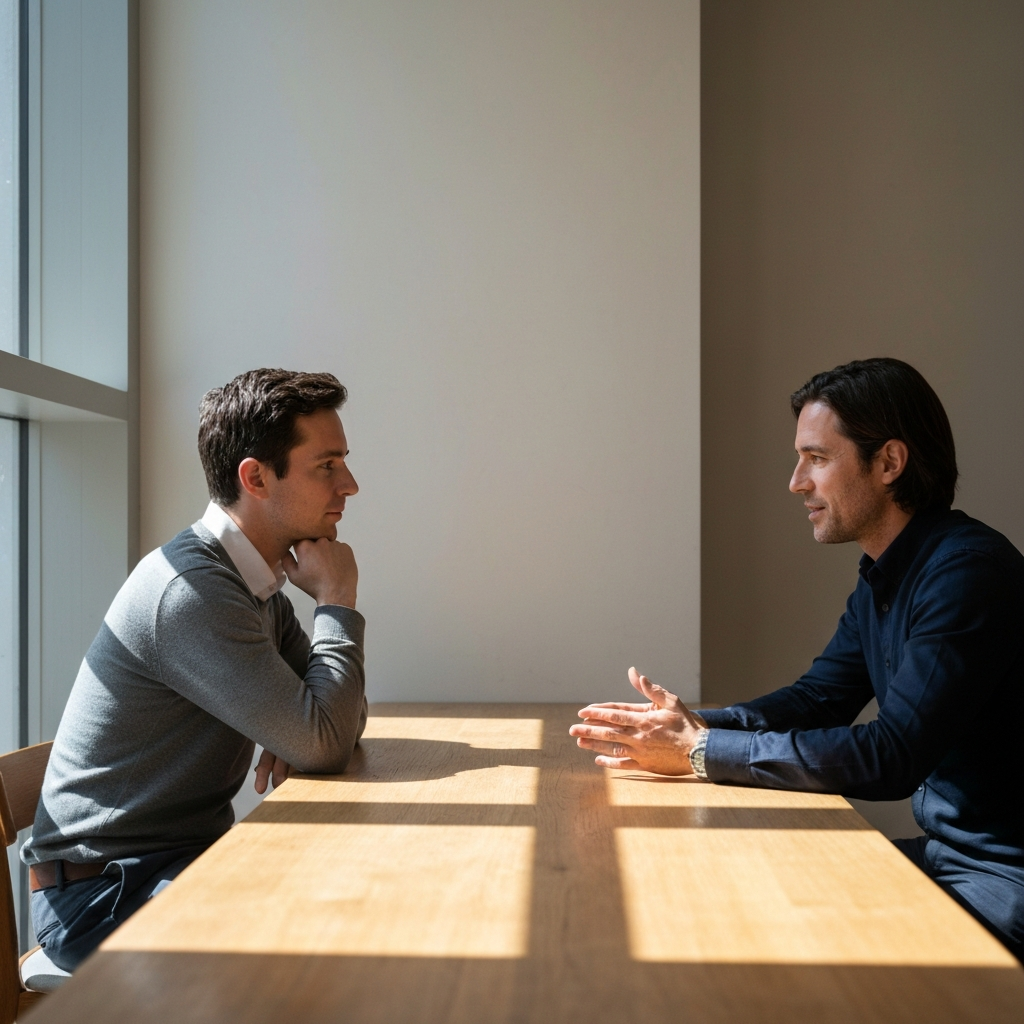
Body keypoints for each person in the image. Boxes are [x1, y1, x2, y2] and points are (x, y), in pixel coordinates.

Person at [570, 358, 1024, 962]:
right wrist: (688, 727)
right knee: (748, 899)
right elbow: (816, 700)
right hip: (949, 855)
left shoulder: (966, 573)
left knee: (780, 938)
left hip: (1003, 881)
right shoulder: (885, 577)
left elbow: (891, 757)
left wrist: (699, 752)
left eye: (817, 458)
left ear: (889, 463)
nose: (796, 482)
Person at [22, 368, 367, 971]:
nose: (351, 485)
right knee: (311, 943)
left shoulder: (254, 588)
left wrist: (310, 730)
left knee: (346, 907)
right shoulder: (194, 591)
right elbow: (325, 738)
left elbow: (333, 726)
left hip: (178, 861)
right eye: (327, 466)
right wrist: (337, 603)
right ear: (255, 478)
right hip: (101, 895)